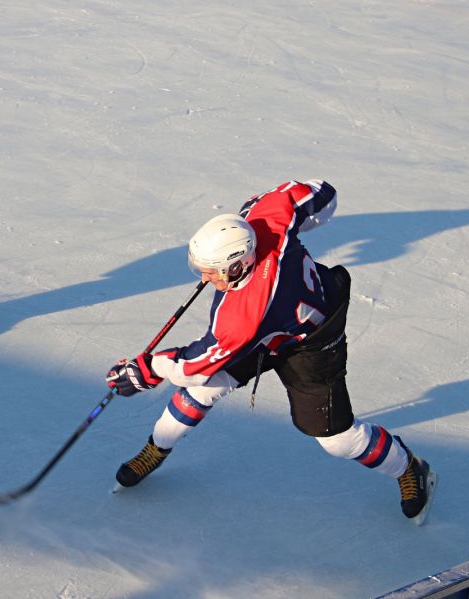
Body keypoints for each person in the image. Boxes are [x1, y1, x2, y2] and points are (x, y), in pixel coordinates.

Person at [106, 180, 437, 525]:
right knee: (203, 390)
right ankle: (157, 448)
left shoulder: (241, 316)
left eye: (211, 271)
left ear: (239, 266)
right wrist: (259, 210)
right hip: (273, 325)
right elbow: (321, 193)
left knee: (337, 441)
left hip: (310, 342)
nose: (204, 277)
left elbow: (194, 366)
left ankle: (409, 467)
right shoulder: (266, 220)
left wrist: (142, 372)